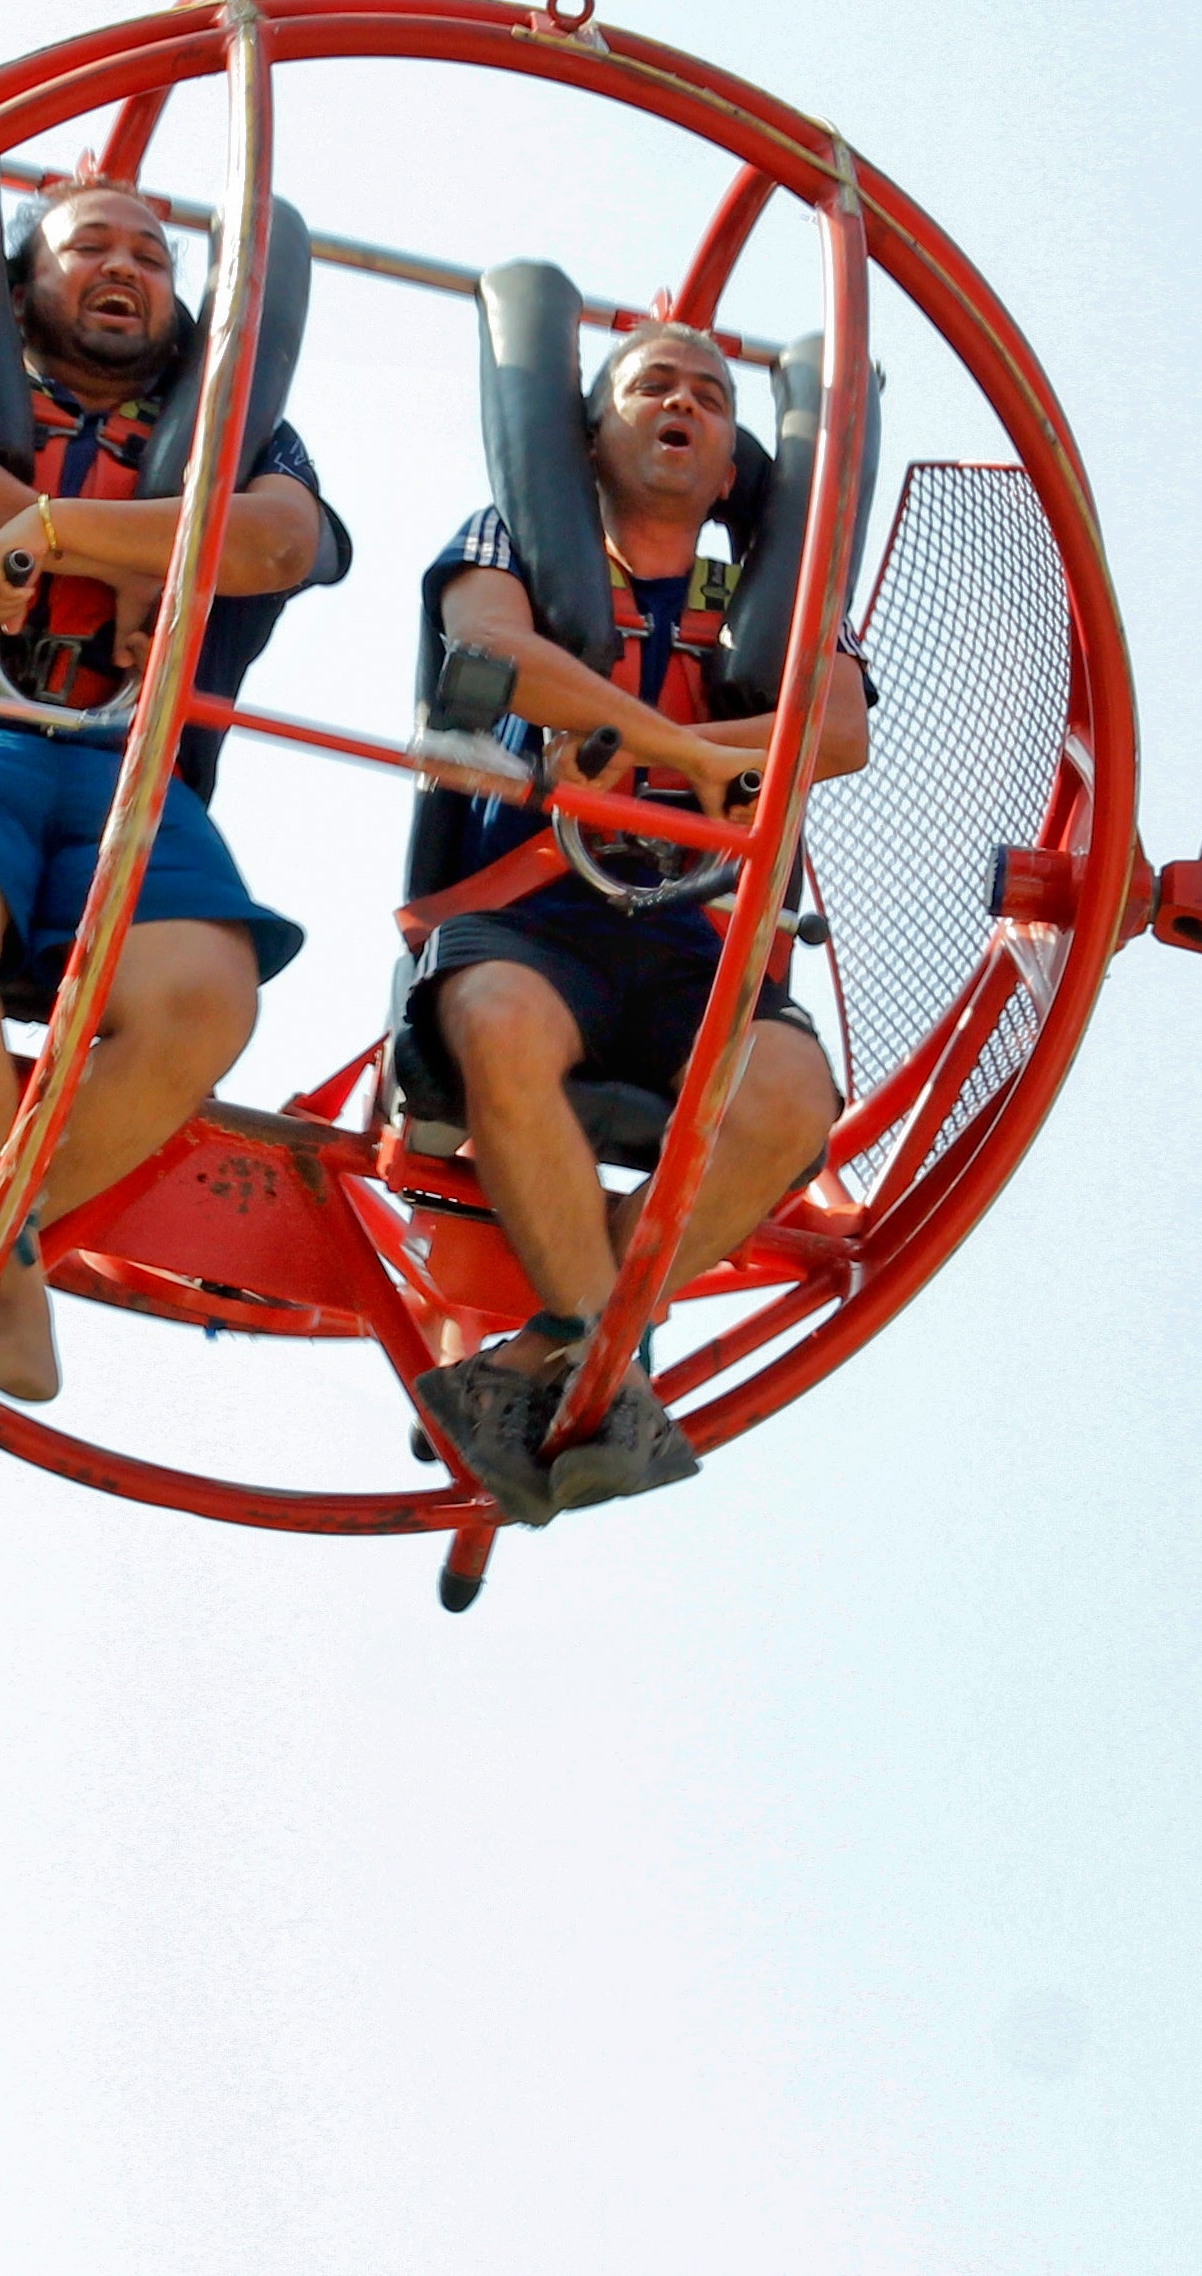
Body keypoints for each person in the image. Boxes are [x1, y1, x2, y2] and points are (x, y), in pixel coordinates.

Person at [0, 179, 346, 1433]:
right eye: (88, 244)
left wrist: (56, 534)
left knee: (205, 999)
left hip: (126, 775)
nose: (124, 267)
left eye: (152, 254)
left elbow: (272, 544)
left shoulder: (240, 438)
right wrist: (131, 544)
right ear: (17, 283)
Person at [401, 319, 868, 1524]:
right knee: (496, 1018)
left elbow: (838, 732)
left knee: (788, 1098)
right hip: (532, 916)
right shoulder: (514, 543)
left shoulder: (764, 598)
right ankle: (604, 1347)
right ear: (591, 437)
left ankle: (561, 1343)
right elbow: (492, 650)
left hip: (691, 940)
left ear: (731, 470)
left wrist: (670, 753)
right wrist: (687, 753)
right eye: (651, 385)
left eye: (712, 396)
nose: (683, 403)